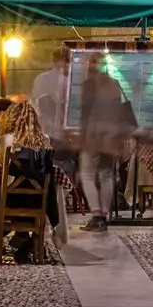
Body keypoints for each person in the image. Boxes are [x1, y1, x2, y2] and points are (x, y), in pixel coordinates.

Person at [77, 59, 136, 230]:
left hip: (94, 136)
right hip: (111, 136)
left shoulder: (89, 85)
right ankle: (104, 215)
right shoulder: (114, 84)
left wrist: (82, 135)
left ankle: (96, 215)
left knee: (87, 174)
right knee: (106, 176)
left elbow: (85, 113)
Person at [30, 45, 72, 141]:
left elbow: (34, 101)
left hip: (42, 128)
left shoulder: (40, 78)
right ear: (58, 62)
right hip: (59, 130)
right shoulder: (66, 81)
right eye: (67, 61)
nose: (68, 65)